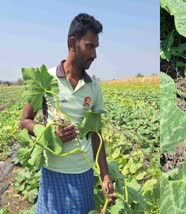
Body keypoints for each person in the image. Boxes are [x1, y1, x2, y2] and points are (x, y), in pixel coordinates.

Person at [20, 13, 115, 213]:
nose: (94, 55)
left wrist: (105, 176)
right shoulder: (46, 79)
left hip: (84, 172)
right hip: (53, 171)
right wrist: (49, 133)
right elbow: (25, 121)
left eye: (96, 48)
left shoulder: (94, 88)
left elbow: (96, 135)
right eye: (90, 46)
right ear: (73, 43)